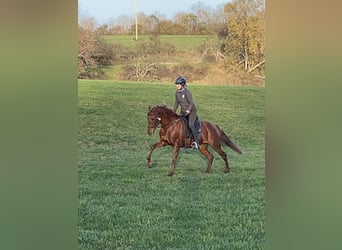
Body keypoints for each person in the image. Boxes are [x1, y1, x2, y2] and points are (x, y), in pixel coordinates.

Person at [172, 76, 201, 149]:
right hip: (183, 111)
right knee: (179, 123)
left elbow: (191, 103)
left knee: (190, 124)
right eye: (176, 84)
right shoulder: (177, 93)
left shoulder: (187, 92)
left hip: (191, 111)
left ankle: (196, 142)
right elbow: (176, 104)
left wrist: (188, 110)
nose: (177, 86)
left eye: (178, 84)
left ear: (182, 84)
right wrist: (172, 112)